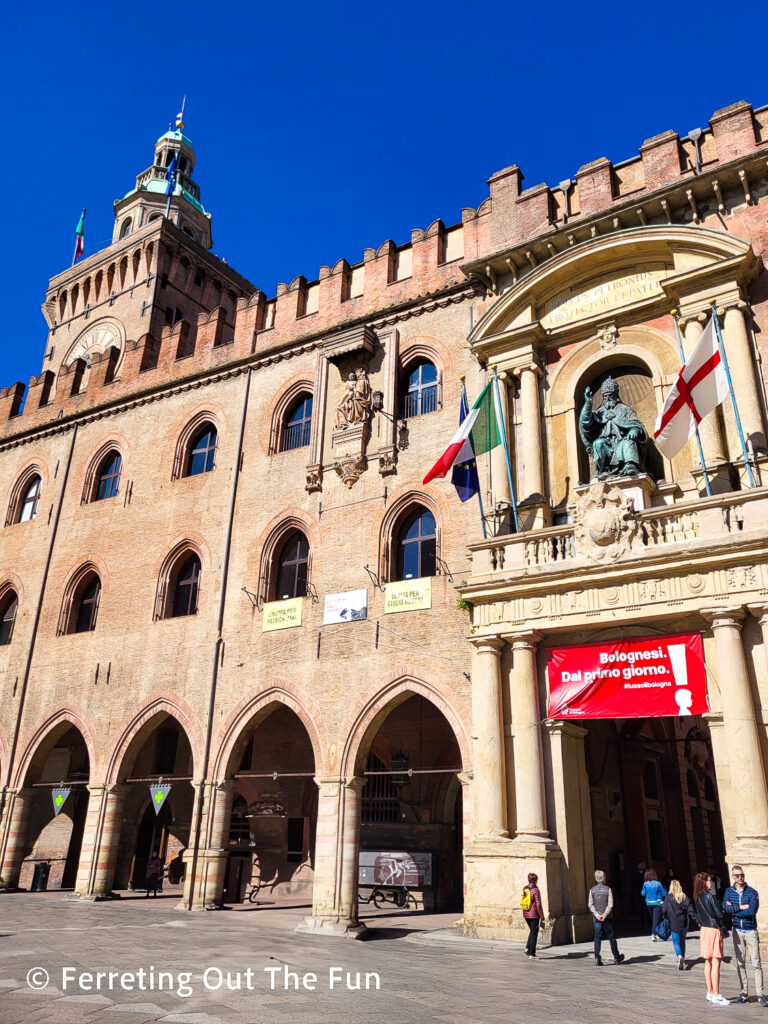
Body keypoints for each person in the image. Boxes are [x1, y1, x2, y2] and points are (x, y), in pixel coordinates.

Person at [723, 864, 766, 1006]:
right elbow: (725, 908)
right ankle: (744, 993)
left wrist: (734, 911)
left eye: (742, 875)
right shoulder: (729, 892)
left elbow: (751, 911)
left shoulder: (752, 892)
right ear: (733, 877)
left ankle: (760, 994)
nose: (741, 878)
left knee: (756, 963)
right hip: (737, 930)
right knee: (740, 963)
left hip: (750, 930)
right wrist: (740, 907)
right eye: (738, 875)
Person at [694, 871, 729, 1006]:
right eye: (709, 880)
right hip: (714, 930)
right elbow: (719, 914)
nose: (712, 882)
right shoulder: (710, 896)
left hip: (704, 930)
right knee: (716, 962)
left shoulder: (698, 897)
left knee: (707, 962)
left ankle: (709, 992)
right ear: (704, 883)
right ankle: (716, 994)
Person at [588, 869, 625, 967]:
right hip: (607, 917)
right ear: (604, 878)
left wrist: (597, 915)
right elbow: (610, 904)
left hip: (597, 917)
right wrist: (604, 915)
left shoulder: (592, 890)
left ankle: (597, 957)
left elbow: (590, 905)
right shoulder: (608, 889)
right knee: (611, 937)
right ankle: (616, 957)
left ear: (596, 879)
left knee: (597, 937)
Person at [662, 879, 694, 970]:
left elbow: (664, 910)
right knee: (682, 940)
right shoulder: (684, 897)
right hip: (684, 922)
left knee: (676, 942)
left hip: (674, 922)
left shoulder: (668, 897)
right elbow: (690, 909)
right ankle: (682, 957)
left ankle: (679, 957)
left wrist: (661, 904)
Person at [522, 872, 545, 958]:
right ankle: (532, 953)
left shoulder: (525, 888)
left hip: (526, 913)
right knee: (534, 933)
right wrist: (542, 917)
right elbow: (538, 905)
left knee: (532, 931)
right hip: (534, 915)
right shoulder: (536, 890)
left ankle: (527, 948)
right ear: (536, 880)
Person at [641, 868, 666, 939]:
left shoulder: (645, 884)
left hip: (648, 903)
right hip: (657, 903)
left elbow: (642, 894)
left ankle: (657, 933)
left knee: (654, 918)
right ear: (654, 875)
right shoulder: (658, 883)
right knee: (656, 919)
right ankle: (653, 934)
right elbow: (664, 893)